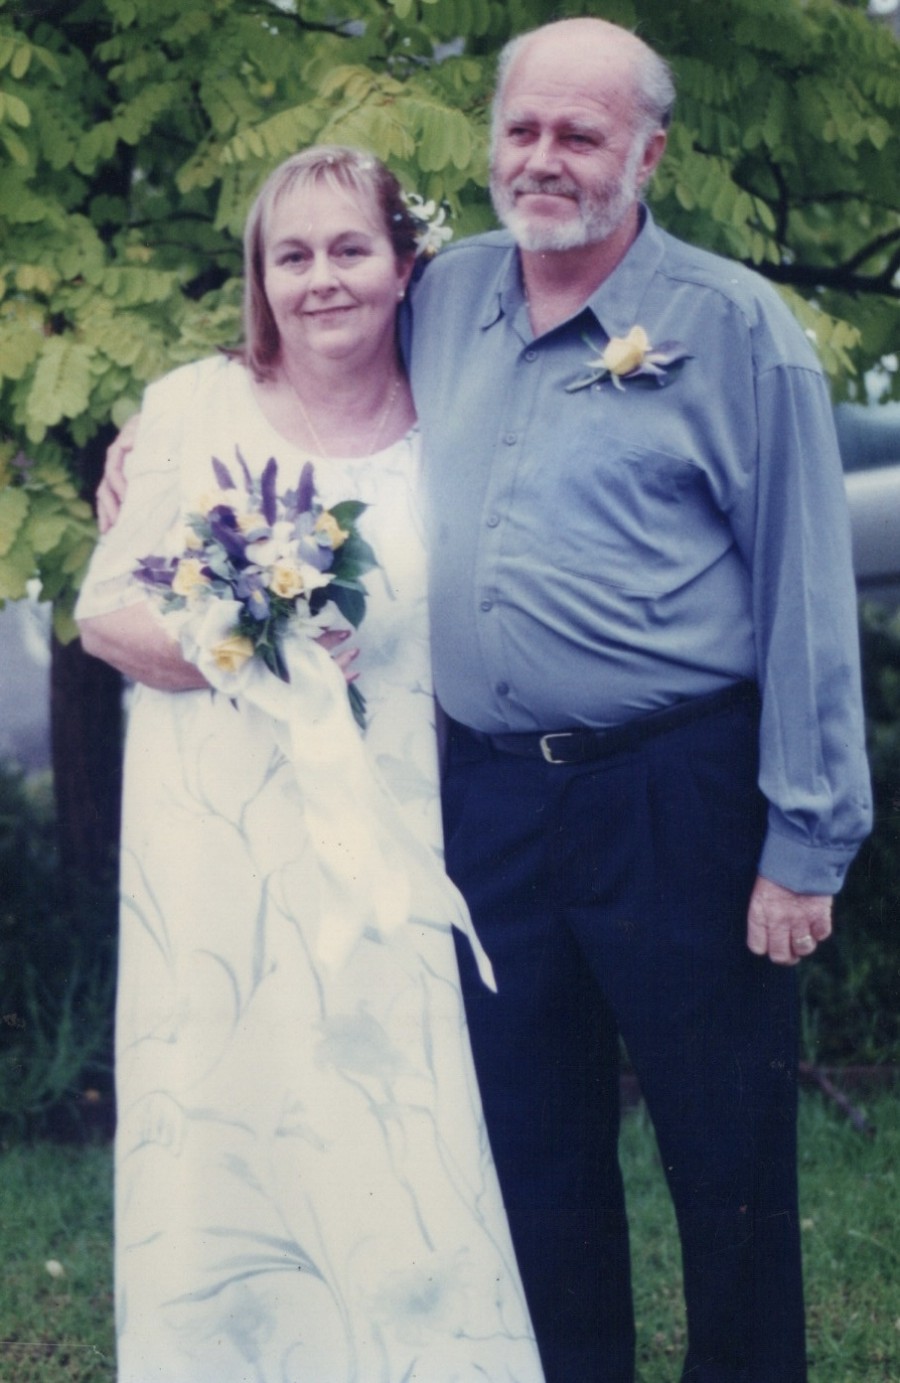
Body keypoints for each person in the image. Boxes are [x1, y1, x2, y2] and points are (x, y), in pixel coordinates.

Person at [98, 20, 873, 1382]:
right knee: (536, 1158)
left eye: (581, 133)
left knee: (726, 1160)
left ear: (651, 151)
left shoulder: (736, 328)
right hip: (492, 804)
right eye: (522, 129)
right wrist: (151, 450)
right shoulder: (446, 294)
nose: (546, 157)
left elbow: (811, 594)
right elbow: (288, 371)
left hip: (676, 790)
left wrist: (806, 843)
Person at [76, 146, 544, 1383]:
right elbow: (104, 614)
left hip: (399, 821)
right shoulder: (190, 403)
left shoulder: (462, 412)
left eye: (349, 250)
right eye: (292, 256)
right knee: (236, 1092)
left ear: (404, 266)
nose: (321, 279)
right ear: (260, 276)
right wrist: (250, 643)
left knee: (398, 1098)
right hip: (215, 836)